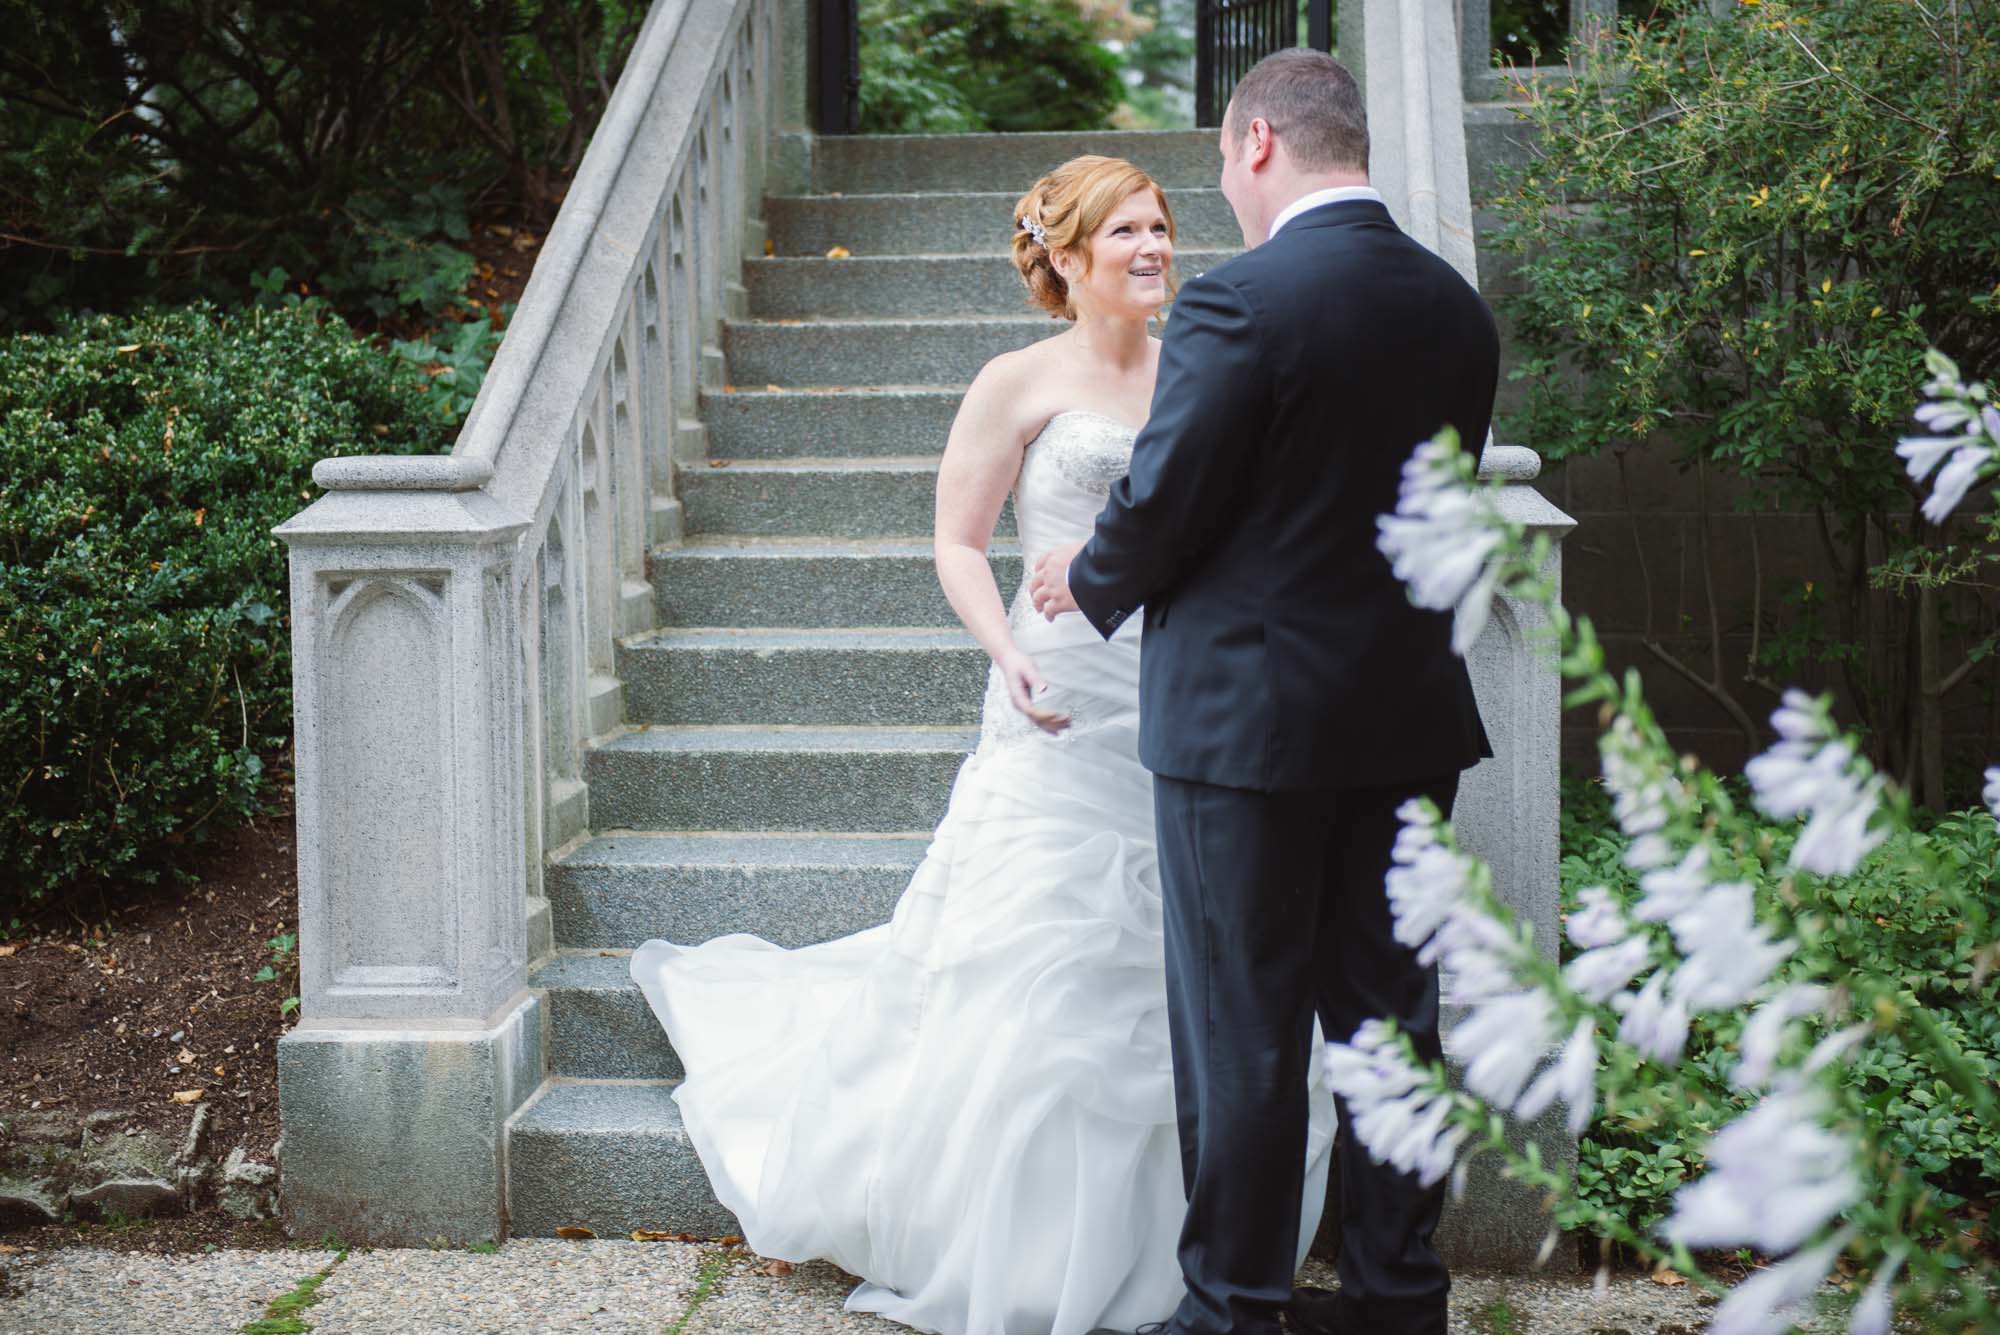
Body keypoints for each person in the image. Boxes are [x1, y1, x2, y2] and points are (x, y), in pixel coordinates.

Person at [630, 153, 1335, 1335]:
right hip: (1056, 692)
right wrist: (1001, 651)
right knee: (1039, 953)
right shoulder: (1014, 381)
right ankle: (1014, 1243)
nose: (1154, 248)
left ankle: (1185, 1239)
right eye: (1125, 232)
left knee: (1191, 959)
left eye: (1160, 226)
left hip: (1184, 694)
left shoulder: (1202, 372)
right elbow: (958, 542)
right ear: (1064, 257)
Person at [1030, 51, 1499, 1335]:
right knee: (1391, 1022)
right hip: (1404, 718)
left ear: (1251, 146)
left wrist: (1090, 570)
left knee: (1242, 1032)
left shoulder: (1242, 303)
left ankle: (1233, 1306)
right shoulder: (1455, 305)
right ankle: (1397, 1297)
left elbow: (1175, 493)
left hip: (1246, 730)